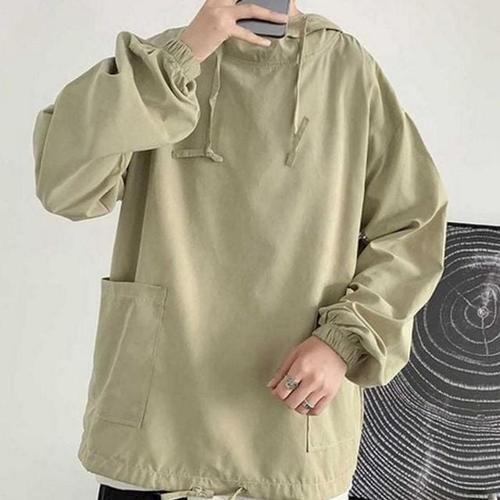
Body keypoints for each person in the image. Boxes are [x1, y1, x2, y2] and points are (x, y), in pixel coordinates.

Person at [32, 0, 449, 499]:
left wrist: (342, 342)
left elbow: (413, 225)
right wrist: (184, 54)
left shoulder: (345, 69)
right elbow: (65, 187)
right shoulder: (157, 66)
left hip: (288, 428)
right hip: (154, 427)